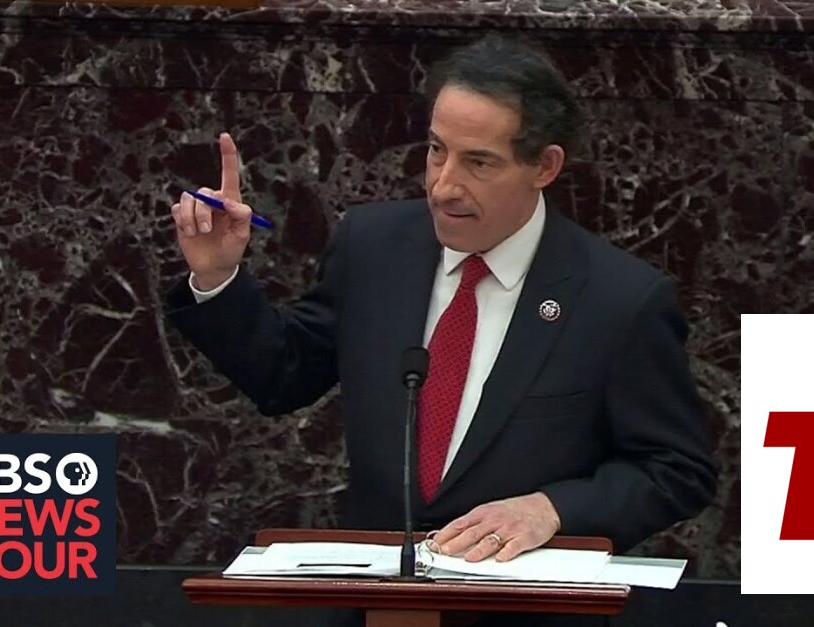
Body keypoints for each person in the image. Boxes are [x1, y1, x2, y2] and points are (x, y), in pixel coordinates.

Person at [165, 33, 717, 625]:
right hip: (378, 610)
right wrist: (218, 277)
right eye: (436, 151)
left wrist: (551, 508)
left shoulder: (619, 298)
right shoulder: (373, 247)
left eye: (479, 162)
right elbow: (284, 375)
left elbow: (675, 469)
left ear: (544, 166)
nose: (443, 185)